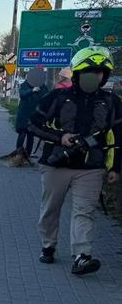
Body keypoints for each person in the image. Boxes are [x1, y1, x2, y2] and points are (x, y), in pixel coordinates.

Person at [29, 46, 122, 275]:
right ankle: (48, 246)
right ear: (79, 73)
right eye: (91, 71)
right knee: (51, 209)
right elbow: (32, 125)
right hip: (56, 164)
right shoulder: (58, 97)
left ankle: (82, 256)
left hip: (91, 167)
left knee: (85, 211)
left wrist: (115, 167)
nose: (96, 76)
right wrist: (61, 137)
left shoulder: (111, 102)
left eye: (101, 72)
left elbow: (118, 137)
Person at [2, 68, 48, 166]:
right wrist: (32, 90)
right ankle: (18, 155)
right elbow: (22, 95)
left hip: (34, 115)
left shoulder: (43, 87)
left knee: (31, 136)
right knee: (22, 134)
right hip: (24, 114)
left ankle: (28, 155)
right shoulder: (25, 85)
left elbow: (46, 97)